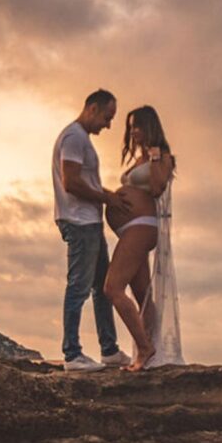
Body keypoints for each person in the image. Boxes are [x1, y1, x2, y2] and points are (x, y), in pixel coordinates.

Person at [53, 89, 133, 372]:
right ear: (92, 109)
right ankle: (72, 354)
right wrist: (107, 197)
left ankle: (109, 350)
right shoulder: (74, 137)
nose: (108, 125)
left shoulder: (80, 138)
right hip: (79, 222)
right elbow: (71, 182)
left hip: (89, 223)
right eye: (107, 118)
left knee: (103, 288)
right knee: (79, 287)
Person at [103, 106, 184, 371]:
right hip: (130, 229)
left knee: (112, 289)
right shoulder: (139, 160)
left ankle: (145, 349)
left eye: (138, 126)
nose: (134, 132)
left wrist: (156, 155)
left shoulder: (162, 157)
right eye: (131, 127)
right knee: (142, 295)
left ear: (150, 127)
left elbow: (159, 187)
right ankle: (153, 348)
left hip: (141, 226)